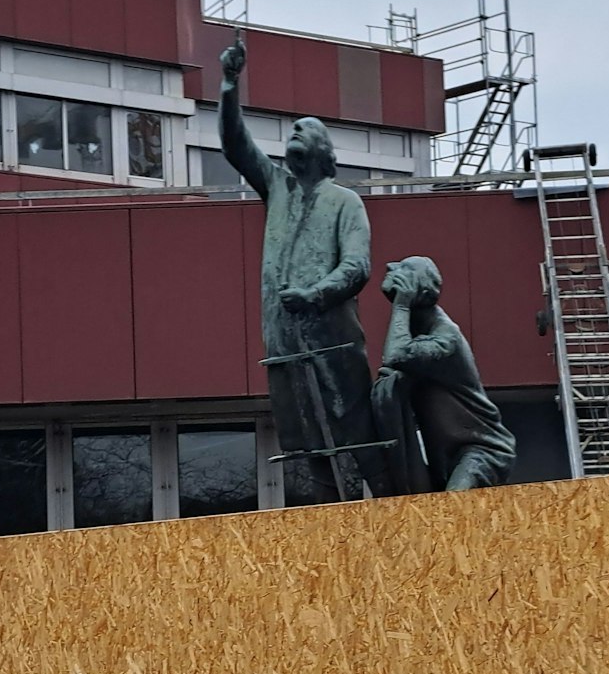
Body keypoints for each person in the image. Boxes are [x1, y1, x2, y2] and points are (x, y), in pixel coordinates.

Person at [218, 35, 380, 502]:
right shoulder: (277, 189)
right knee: (301, 442)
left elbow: (358, 264)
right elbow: (235, 145)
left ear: (325, 150)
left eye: (303, 130)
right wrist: (229, 83)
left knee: (351, 434)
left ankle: (376, 513)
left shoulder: (344, 201)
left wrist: (316, 295)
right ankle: (321, 521)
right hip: (284, 342)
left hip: (332, 340)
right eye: (291, 130)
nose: (293, 133)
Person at [372, 256, 516, 491]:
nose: (390, 267)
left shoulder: (446, 336)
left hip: (482, 450)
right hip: (444, 457)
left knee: (450, 514)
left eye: (405, 268)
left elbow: (396, 356)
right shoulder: (415, 330)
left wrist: (401, 305)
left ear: (422, 289)